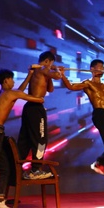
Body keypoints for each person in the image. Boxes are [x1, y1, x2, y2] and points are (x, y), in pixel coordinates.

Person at [0, 69, 44, 208]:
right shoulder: (10, 93)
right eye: (12, 79)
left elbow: (18, 92)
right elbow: (37, 99)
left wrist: (30, 75)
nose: (13, 82)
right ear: (6, 80)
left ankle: (0, 202)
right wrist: (40, 91)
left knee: (5, 168)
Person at [59, 60, 104, 179]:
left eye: (102, 67)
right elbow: (71, 87)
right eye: (99, 67)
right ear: (92, 69)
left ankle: (99, 162)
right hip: (99, 113)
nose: (101, 70)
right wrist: (62, 74)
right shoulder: (88, 84)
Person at [17, 51, 62, 179]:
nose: (51, 66)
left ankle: (17, 169)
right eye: (51, 63)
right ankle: (36, 169)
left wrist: (50, 74)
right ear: (47, 61)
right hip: (35, 108)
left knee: (26, 139)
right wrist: (57, 69)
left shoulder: (41, 71)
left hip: (31, 108)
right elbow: (58, 76)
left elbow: (50, 89)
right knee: (41, 139)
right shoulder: (42, 68)